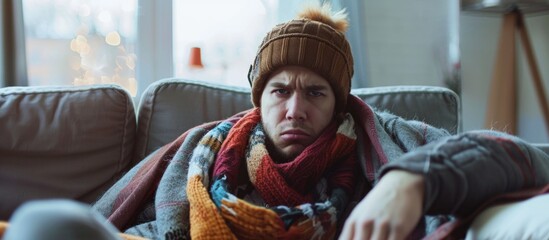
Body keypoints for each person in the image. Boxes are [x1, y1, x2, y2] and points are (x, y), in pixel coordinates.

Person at [4, 3, 549, 240]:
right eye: (279, 91)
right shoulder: (203, 157)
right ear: (257, 101)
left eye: (316, 93)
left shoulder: (389, 147)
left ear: (339, 104)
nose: (295, 108)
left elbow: (531, 157)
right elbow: (115, 218)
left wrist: (413, 180)